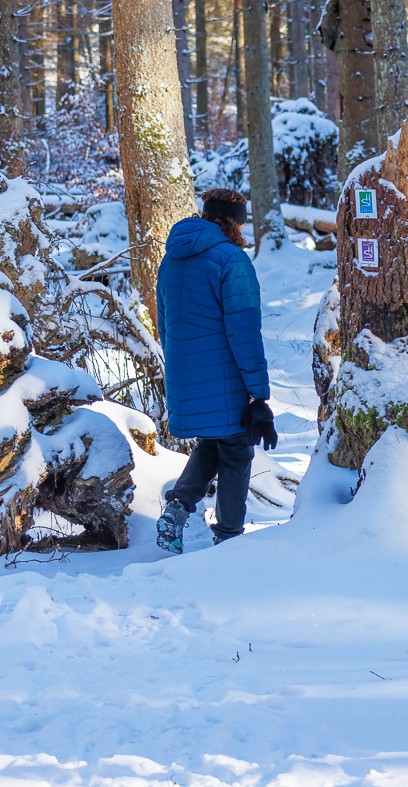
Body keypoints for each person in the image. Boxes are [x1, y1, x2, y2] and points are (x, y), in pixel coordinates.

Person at [155, 188, 279, 553]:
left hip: (185, 375)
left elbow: (164, 323)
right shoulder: (231, 260)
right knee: (237, 451)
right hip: (226, 376)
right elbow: (244, 333)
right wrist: (258, 395)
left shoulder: (172, 259)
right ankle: (229, 539)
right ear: (236, 222)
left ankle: (177, 508)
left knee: (213, 442)